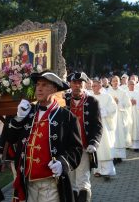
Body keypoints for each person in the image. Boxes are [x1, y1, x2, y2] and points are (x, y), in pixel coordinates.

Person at [6, 70, 83, 202]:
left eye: (45, 85)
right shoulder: (27, 112)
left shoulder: (67, 117)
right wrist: (18, 119)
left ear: (54, 89)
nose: (39, 89)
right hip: (27, 181)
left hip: (51, 183)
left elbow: (76, 149)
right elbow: (11, 138)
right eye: (38, 85)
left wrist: (62, 163)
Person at [65, 72, 103, 202]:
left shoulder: (92, 101)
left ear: (84, 84)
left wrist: (94, 142)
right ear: (70, 84)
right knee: (70, 182)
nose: (77, 86)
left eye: (80, 83)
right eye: (74, 83)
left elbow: (98, 125)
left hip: (84, 147)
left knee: (83, 182)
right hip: (67, 149)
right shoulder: (63, 100)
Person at [91, 79, 117, 179]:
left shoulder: (107, 97)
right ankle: (97, 170)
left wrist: (102, 111)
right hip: (93, 126)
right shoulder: (90, 97)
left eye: (96, 86)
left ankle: (107, 171)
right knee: (96, 147)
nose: (94, 88)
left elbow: (113, 109)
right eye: (93, 86)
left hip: (104, 126)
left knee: (105, 147)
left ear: (100, 87)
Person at [107, 75, 132, 162]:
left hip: (120, 116)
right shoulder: (107, 92)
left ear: (119, 82)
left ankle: (120, 156)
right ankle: (113, 155)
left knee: (120, 135)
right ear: (111, 82)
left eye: (117, 81)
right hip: (111, 118)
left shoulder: (123, 92)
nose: (115, 82)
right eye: (113, 81)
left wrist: (119, 103)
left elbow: (128, 104)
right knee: (112, 136)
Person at [126, 80, 139, 151]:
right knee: (128, 129)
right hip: (128, 114)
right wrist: (129, 103)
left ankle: (136, 146)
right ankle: (128, 144)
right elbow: (122, 104)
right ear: (127, 85)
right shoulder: (125, 94)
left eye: (133, 84)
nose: (132, 85)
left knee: (136, 129)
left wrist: (137, 102)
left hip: (136, 115)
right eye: (130, 84)